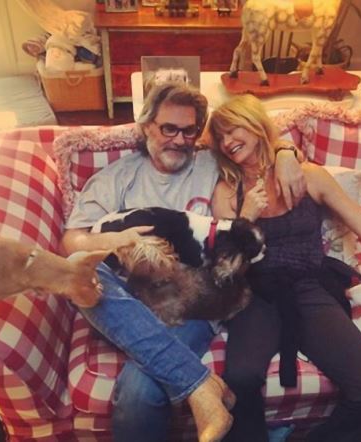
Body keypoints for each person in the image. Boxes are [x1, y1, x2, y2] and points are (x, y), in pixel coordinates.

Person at [59, 82, 306, 442]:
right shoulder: (117, 178)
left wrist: (285, 152)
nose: (179, 139)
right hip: (131, 300)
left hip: (192, 303)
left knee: (140, 393)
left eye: (189, 131)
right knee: (80, 266)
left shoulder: (211, 164)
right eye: (168, 128)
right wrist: (114, 240)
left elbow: (257, 142)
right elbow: (72, 241)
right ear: (147, 127)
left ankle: (197, 387)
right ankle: (201, 386)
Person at [208, 94, 361, 442]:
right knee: (240, 378)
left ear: (256, 124)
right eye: (220, 137)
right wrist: (245, 219)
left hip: (308, 288)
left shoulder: (309, 175)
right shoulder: (228, 191)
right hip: (254, 294)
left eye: (232, 129)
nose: (226, 142)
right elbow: (225, 264)